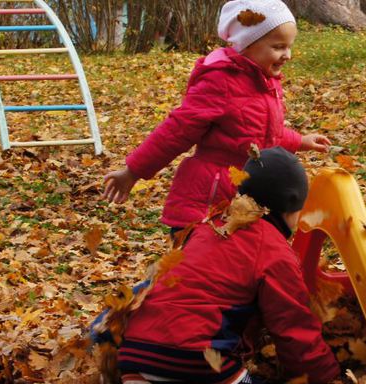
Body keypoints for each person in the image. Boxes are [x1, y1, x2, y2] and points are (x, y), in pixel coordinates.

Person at [115, 147, 340, 384]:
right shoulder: (272, 249)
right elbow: (292, 327)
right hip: (193, 357)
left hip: (136, 351)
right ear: (292, 204)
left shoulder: (209, 226)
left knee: (172, 366)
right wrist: (327, 377)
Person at [102, 0, 331, 232]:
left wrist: (299, 141)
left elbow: (261, 135)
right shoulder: (220, 80)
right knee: (204, 262)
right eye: (279, 47)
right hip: (209, 202)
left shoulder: (264, 81)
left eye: (289, 46)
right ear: (247, 44)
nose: (287, 55)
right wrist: (133, 172)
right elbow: (176, 132)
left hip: (246, 195)